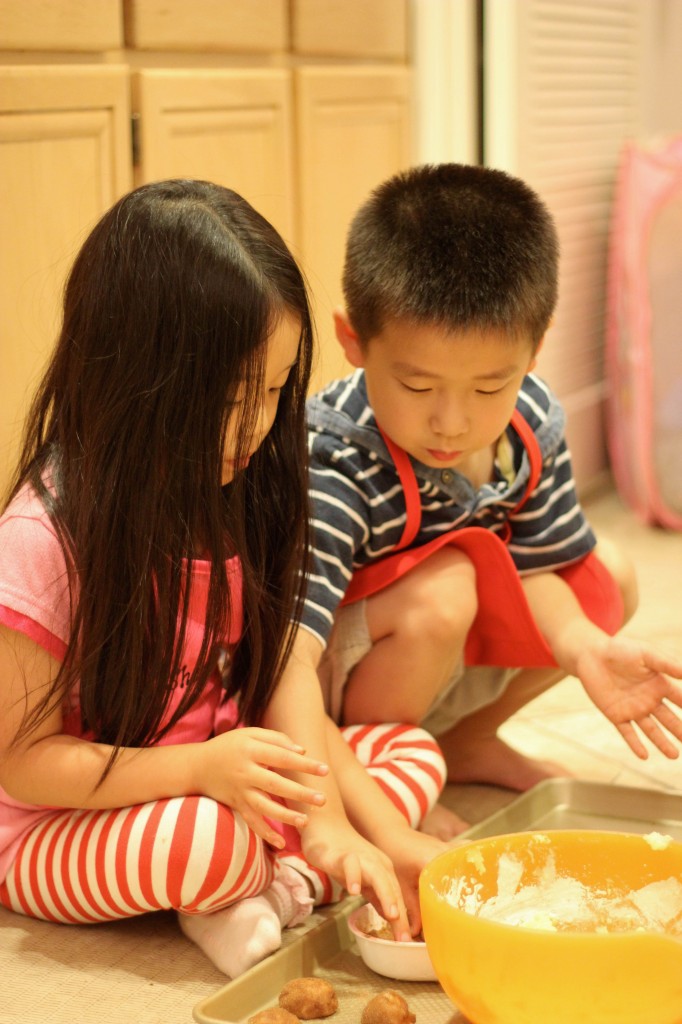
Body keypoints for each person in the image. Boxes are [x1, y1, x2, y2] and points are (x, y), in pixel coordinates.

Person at [0, 179, 448, 979]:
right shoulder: (42, 539)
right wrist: (200, 772)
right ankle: (259, 884)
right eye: (232, 399)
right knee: (207, 841)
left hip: (221, 771)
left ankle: (269, 887)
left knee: (407, 753)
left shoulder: (245, 487)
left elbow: (280, 674)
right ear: (138, 384)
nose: (258, 426)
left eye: (275, 391)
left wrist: (345, 825)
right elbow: (23, 763)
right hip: (57, 822)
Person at [294, 162, 682, 837]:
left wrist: (587, 650)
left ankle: (465, 741)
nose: (451, 422)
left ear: (535, 349)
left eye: (487, 388)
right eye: (417, 388)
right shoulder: (334, 458)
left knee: (606, 578)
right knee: (447, 589)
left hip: (434, 647)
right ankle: (389, 771)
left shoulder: (531, 422)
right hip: (333, 678)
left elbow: (535, 566)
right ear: (354, 338)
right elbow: (287, 656)